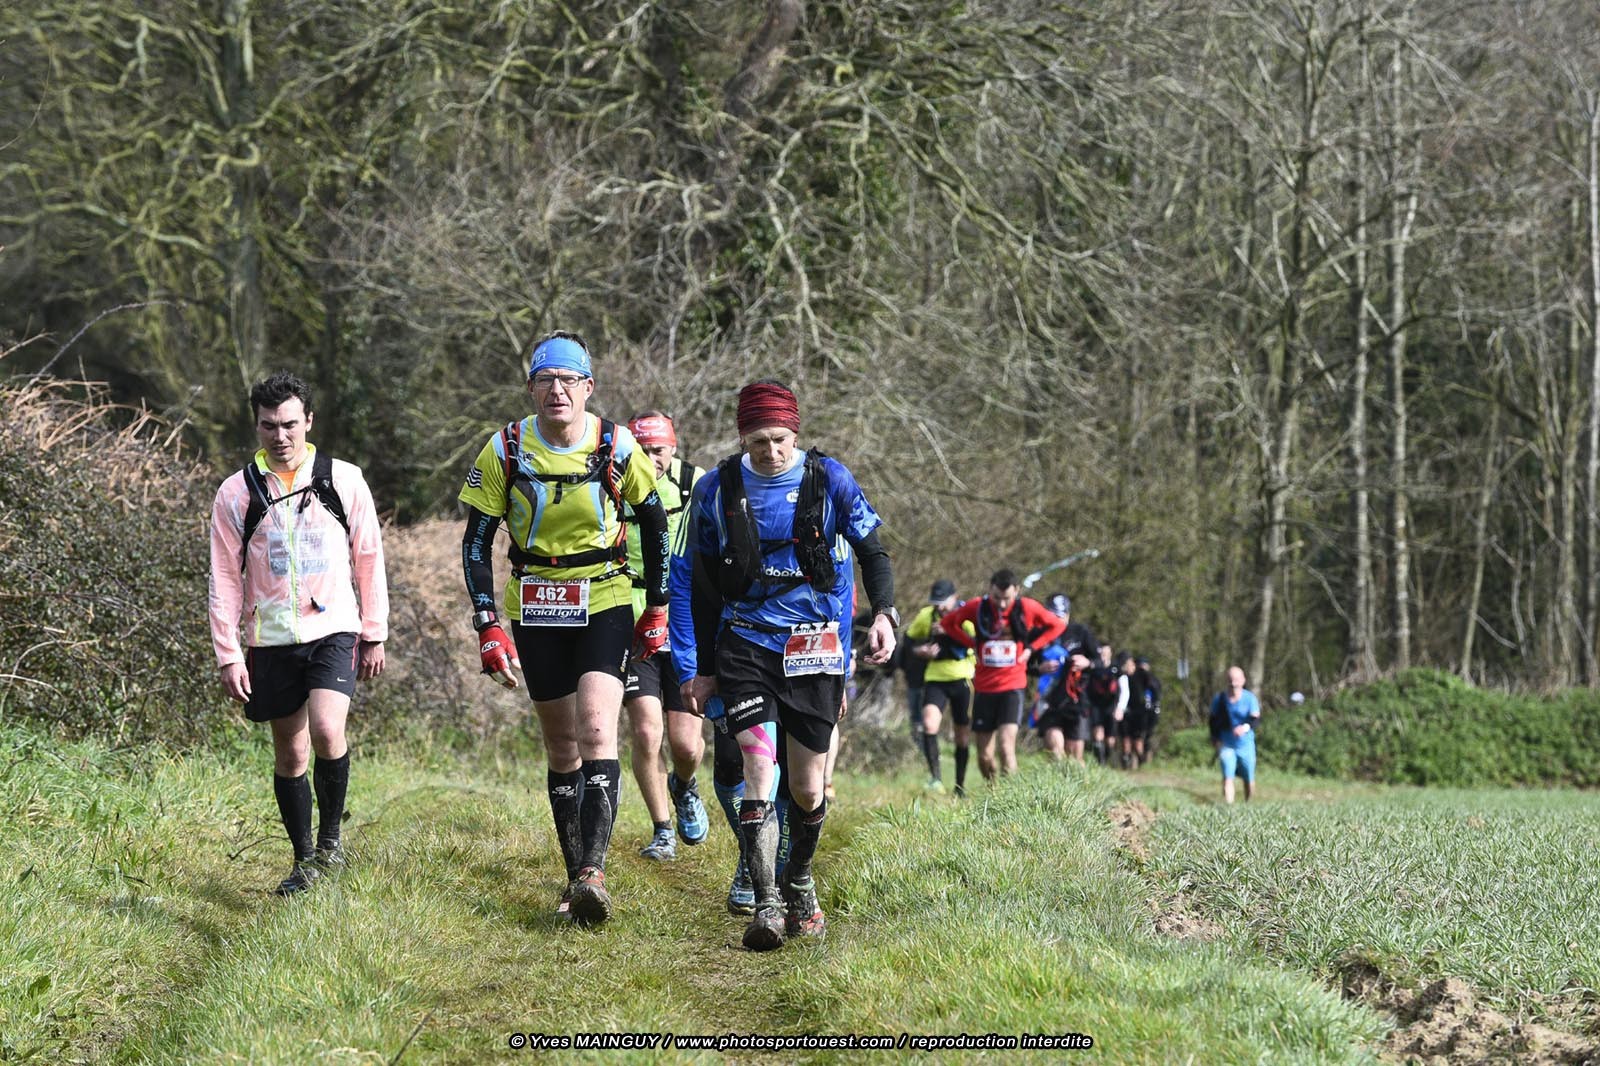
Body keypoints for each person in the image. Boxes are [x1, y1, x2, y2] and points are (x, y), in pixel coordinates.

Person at [672, 380, 897, 951]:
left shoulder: (831, 479)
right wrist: (699, 666)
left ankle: (799, 879)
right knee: (758, 769)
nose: (770, 451)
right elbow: (700, 584)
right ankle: (767, 900)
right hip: (746, 645)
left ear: (795, 433)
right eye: (758, 441)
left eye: (779, 439)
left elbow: (873, 553)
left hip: (815, 649)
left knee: (807, 787)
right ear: (741, 439)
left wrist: (884, 615)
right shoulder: (716, 489)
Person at [459, 331, 671, 925]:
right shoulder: (504, 448)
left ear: (588, 387)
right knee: (561, 745)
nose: (558, 390)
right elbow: (475, 543)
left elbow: (655, 526)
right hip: (535, 601)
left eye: (569, 380)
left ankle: (593, 871)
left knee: (598, 729)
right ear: (531, 388)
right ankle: (576, 872)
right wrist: (487, 623)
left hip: (604, 595)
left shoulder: (616, 445)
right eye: (546, 380)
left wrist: (657, 606)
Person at [208, 371, 389, 896]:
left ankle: (331, 843)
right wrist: (228, 654)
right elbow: (224, 576)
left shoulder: (343, 479)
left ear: (309, 421)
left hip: (334, 628)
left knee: (328, 729)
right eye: (269, 425)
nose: (280, 436)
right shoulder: (236, 493)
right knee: (290, 753)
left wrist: (374, 631)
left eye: (289, 424)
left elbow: (369, 558)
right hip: (270, 636)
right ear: (256, 426)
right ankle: (304, 859)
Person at [621, 411, 709, 862]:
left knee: (686, 744)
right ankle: (662, 830)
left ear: (673, 448)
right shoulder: (614, 483)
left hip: (685, 623)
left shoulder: (697, 484)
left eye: (658, 450)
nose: (651, 459)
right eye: (642, 450)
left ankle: (684, 784)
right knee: (645, 731)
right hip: (632, 619)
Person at [938, 570, 1065, 782]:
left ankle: (1011, 797)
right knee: (984, 757)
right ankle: (994, 791)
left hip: (1012, 687)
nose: (1002, 604)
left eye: (1007, 598)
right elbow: (948, 624)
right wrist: (971, 643)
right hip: (984, 689)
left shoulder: (1027, 607)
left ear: (1017, 591)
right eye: (997, 598)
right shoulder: (977, 607)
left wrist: (1031, 648)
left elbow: (1058, 625)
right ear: (990, 590)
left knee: (1006, 748)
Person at [905, 579, 975, 794]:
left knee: (961, 734)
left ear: (955, 597)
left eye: (944, 602)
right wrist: (920, 651)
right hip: (935, 677)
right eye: (936, 603)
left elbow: (976, 642)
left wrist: (950, 631)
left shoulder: (967, 615)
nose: (941, 607)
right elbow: (908, 642)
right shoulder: (927, 616)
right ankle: (935, 778)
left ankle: (960, 786)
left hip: (963, 678)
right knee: (929, 724)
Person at [1209, 666, 1261, 803]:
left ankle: (1248, 804)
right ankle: (1229, 807)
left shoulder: (1250, 698)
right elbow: (1212, 720)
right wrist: (1214, 737)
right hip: (1226, 744)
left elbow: (1256, 720)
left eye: (1236, 680)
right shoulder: (1219, 699)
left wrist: (1244, 727)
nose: (1233, 683)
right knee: (1228, 776)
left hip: (1246, 745)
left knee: (1248, 777)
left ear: (1243, 680)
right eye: (1230, 680)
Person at [1038, 648, 1094, 762]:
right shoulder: (1044, 640)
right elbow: (1027, 662)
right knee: (1055, 752)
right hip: (1051, 703)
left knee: (1075, 759)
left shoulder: (1085, 638)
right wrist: (1038, 668)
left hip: (1077, 705)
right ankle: (1059, 772)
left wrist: (1089, 663)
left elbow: (1101, 662)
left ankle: (1078, 773)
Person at [1087, 642, 1129, 766]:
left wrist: (1120, 708)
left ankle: (1107, 757)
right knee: (1097, 733)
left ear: (1110, 653)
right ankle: (1101, 763)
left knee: (1110, 739)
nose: (1104, 655)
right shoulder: (1093, 668)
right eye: (1102, 653)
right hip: (1096, 705)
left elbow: (1125, 690)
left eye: (1106, 653)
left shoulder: (1117, 669)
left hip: (1111, 706)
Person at [1133, 654, 1162, 766]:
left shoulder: (1153, 679)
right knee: (1137, 736)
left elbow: (1158, 694)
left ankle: (1146, 760)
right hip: (1137, 712)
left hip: (1150, 712)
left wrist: (1156, 707)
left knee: (1148, 736)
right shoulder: (1133, 679)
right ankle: (1139, 760)